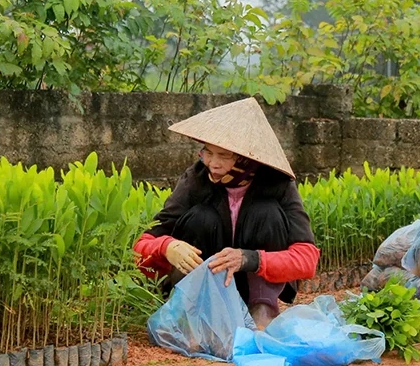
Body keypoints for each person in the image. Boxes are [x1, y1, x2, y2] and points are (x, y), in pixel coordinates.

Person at [133, 97, 320, 329]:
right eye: (208, 153)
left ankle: (261, 312)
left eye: (224, 156)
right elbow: (143, 244)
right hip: (204, 287)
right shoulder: (196, 180)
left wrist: (250, 259)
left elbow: (306, 259)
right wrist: (166, 247)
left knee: (266, 212)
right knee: (202, 217)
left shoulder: (277, 184)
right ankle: (193, 315)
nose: (213, 163)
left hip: (252, 285)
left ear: (246, 158)